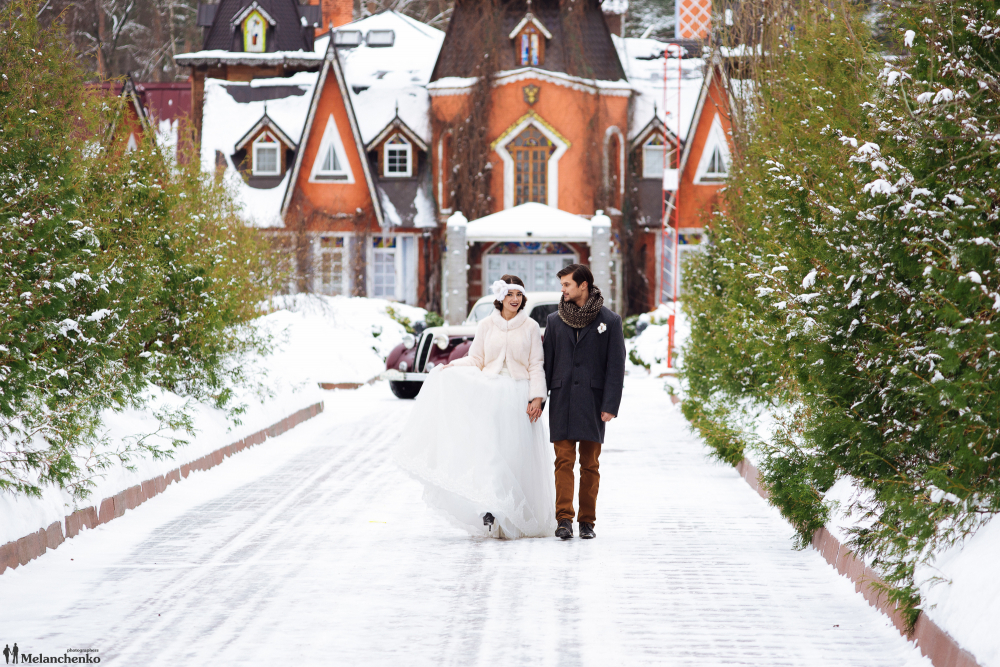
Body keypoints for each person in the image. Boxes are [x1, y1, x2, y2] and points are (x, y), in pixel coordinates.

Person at [395, 274, 556, 539]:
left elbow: (536, 365)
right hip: (490, 394)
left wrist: (537, 397)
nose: (515, 300)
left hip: (518, 396)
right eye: (510, 294)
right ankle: (490, 509)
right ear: (500, 297)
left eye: (519, 295)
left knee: (515, 456)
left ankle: (515, 513)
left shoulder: (530, 327)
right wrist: (451, 367)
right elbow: (476, 359)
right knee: (491, 454)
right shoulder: (485, 325)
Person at [543, 264, 626, 540]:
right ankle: (564, 520)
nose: (563, 289)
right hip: (562, 400)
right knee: (563, 462)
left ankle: (587, 521)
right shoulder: (554, 320)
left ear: (583, 285)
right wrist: (539, 398)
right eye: (562, 284)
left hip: (593, 402)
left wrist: (610, 404)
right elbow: (546, 365)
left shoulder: (610, 321)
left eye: (567, 284)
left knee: (590, 465)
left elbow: (616, 365)